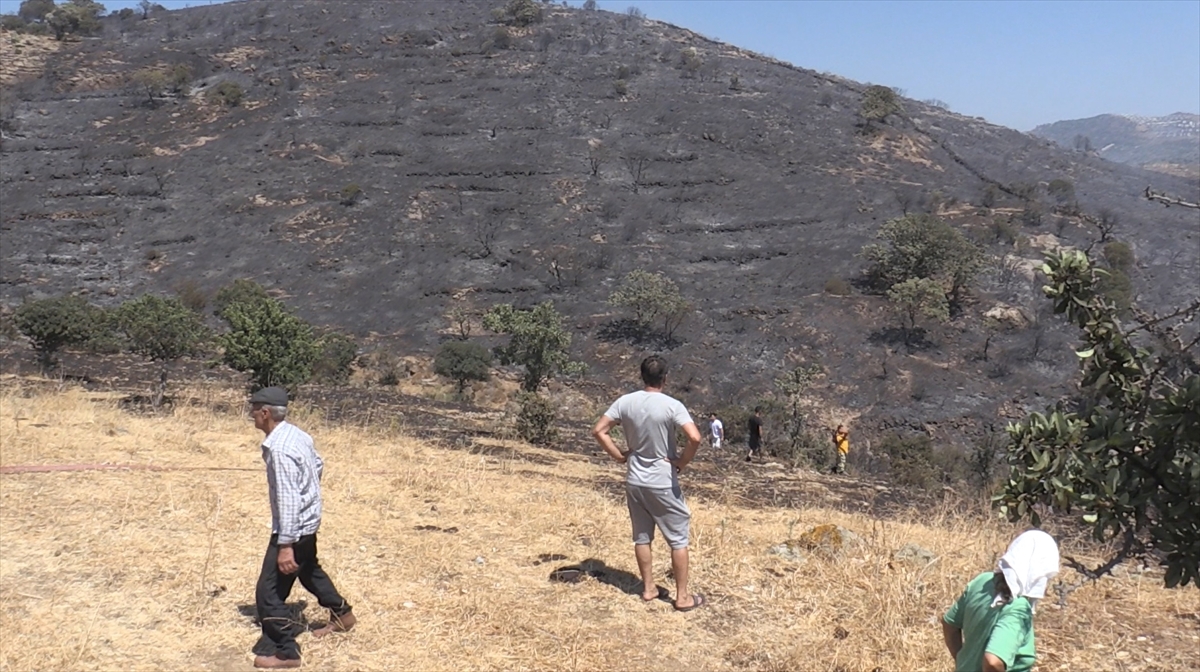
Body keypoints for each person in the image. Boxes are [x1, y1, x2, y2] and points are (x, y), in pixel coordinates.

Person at [249, 387, 356, 669]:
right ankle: (342, 614)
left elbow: (287, 499)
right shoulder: (297, 434)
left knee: (268, 592)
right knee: (308, 570)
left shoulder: (280, 449)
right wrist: (309, 494)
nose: (251, 415)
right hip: (308, 523)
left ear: (265, 413)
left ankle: (286, 651)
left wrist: (285, 545)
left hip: (293, 529)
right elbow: (317, 464)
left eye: (254, 409)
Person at [591, 355, 705, 612]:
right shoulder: (672, 405)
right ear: (666, 378)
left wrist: (620, 456)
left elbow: (599, 430)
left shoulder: (625, 402)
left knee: (642, 537)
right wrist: (681, 462)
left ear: (642, 376)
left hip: (635, 479)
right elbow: (695, 438)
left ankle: (648, 588)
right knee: (678, 539)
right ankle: (683, 597)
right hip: (662, 481)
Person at [942, 530, 1060, 672]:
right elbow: (992, 662)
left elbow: (949, 623)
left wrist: (963, 663)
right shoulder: (1018, 607)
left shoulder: (983, 581)